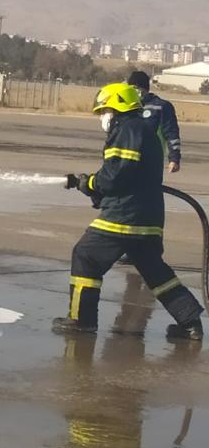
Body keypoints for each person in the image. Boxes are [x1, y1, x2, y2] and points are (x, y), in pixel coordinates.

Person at [54, 82, 203, 340]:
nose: (102, 118)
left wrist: (89, 183)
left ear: (118, 106)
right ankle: (190, 322)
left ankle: (82, 319)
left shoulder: (126, 129)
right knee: (154, 270)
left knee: (86, 255)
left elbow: (115, 175)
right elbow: (128, 174)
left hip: (124, 216)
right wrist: (95, 187)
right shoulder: (145, 130)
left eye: (104, 111)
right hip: (149, 217)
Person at [127, 70, 182, 174]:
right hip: (128, 160)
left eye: (135, 88)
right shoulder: (128, 107)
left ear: (143, 89)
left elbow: (172, 134)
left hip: (152, 160)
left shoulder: (161, 107)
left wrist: (174, 159)